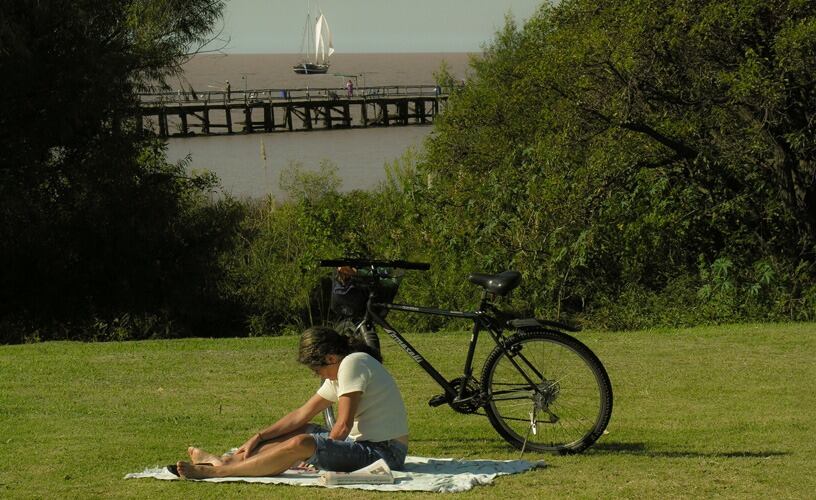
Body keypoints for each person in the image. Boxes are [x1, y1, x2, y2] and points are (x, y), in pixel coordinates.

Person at [175, 326, 409, 479]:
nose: (318, 375)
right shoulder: (345, 367)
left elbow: (343, 425)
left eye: (317, 369)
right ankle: (225, 461)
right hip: (365, 445)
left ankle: (221, 472)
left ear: (330, 358)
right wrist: (259, 436)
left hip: (385, 454)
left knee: (302, 443)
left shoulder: (352, 364)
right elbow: (302, 414)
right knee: (301, 432)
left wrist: (320, 449)